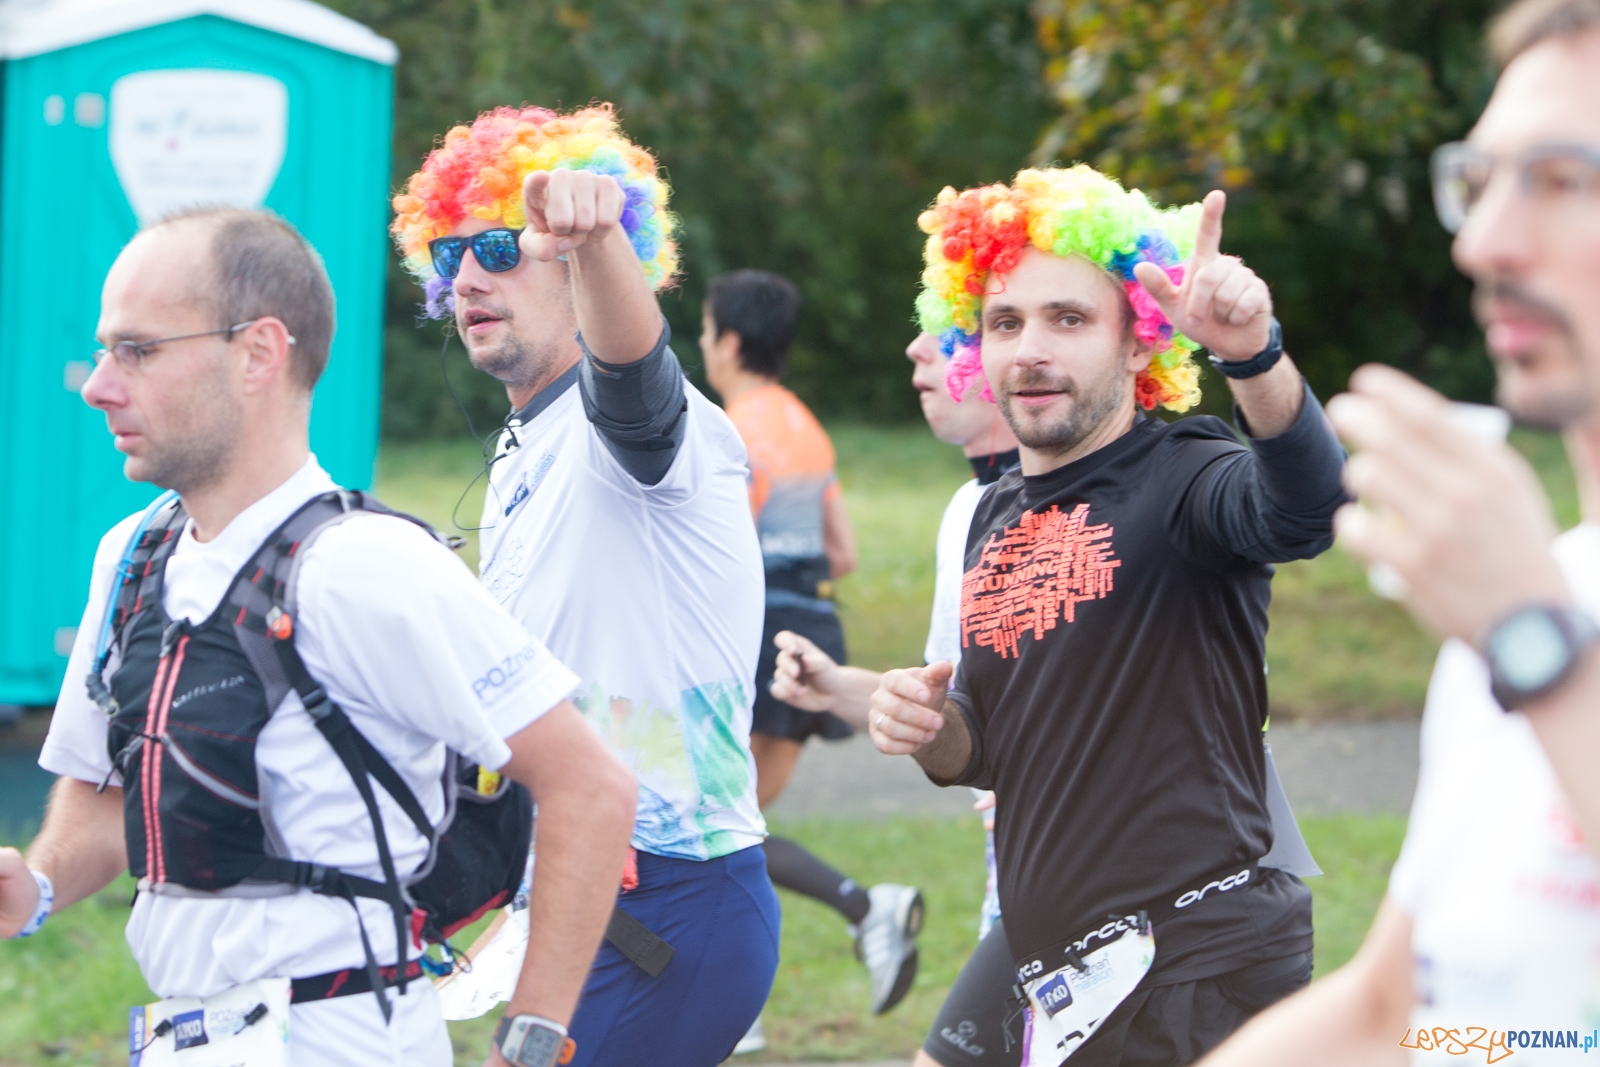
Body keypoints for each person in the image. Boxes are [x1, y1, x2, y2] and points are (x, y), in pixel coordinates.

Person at [0, 207, 637, 1067]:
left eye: (139, 351)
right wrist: (35, 886)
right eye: (109, 349)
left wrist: (531, 1038)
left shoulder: (366, 565)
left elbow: (590, 788)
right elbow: (118, 791)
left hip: (342, 1035)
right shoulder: (134, 553)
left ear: (259, 352)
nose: (98, 385)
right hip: (187, 1035)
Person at [867, 166, 1349, 1066]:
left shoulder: (1182, 475)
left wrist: (1252, 354)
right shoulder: (989, 518)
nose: (1032, 350)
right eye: (1006, 323)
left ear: (1139, 343)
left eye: (1069, 318)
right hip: (1059, 964)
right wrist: (930, 726)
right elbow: (988, 746)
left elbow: (1309, 510)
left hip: (1196, 968)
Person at [1197, 1, 1600, 1062]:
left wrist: (1540, 651)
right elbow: (1402, 1013)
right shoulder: (1520, 602)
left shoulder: (1527, 628)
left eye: (1562, 179)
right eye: (1482, 179)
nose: (1482, 241)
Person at [390, 105, 779, 1067]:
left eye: (499, 246)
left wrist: (597, 237)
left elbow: (635, 381)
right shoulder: (529, 442)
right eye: (449, 256)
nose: (468, 276)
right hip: (577, 899)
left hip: (672, 904)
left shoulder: (645, 429)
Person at [770, 329, 1023, 1067]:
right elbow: (953, 704)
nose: (913, 348)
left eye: (951, 335)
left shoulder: (1104, 499)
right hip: (1014, 868)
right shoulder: (966, 506)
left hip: (1103, 875)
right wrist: (839, 688)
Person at [699, 268, 922, 1026]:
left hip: (758, 631)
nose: (704, 346)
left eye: (704, 331)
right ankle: (761, 981)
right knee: (734, 816)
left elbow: (720, 545)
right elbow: (843, 551)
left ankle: (859, 910)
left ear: (728, 339)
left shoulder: (733, 426)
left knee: (716, 819)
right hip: (814, 626)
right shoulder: (806, 424)